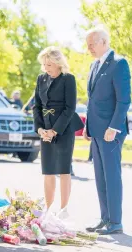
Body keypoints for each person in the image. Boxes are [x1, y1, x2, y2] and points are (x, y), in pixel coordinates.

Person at [84, 27, 131, 235]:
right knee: (100, 176)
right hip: (96, 131)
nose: (88, 48)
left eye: (91, 44)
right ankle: (105, 218)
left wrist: (114, 127)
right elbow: (91, 100)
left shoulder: (119, 63)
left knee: (111, 176)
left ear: (103, 42)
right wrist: (87, 127)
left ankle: (116, 222)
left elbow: (124, 100)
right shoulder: (94, 65)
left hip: (111, 131)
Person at [33, 46, 84, 219]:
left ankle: (63, 209)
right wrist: (40, 129)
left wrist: (54, 131)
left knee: (63, 170)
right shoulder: (41, 79)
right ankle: (48, 210)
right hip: (45, 129)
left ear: (58, 63)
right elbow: (37, 106)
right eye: (44, 64)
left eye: (49, 64)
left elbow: (70, 108)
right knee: (47, 170)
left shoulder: (68, 79)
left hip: (64, 128)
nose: (46, 68)